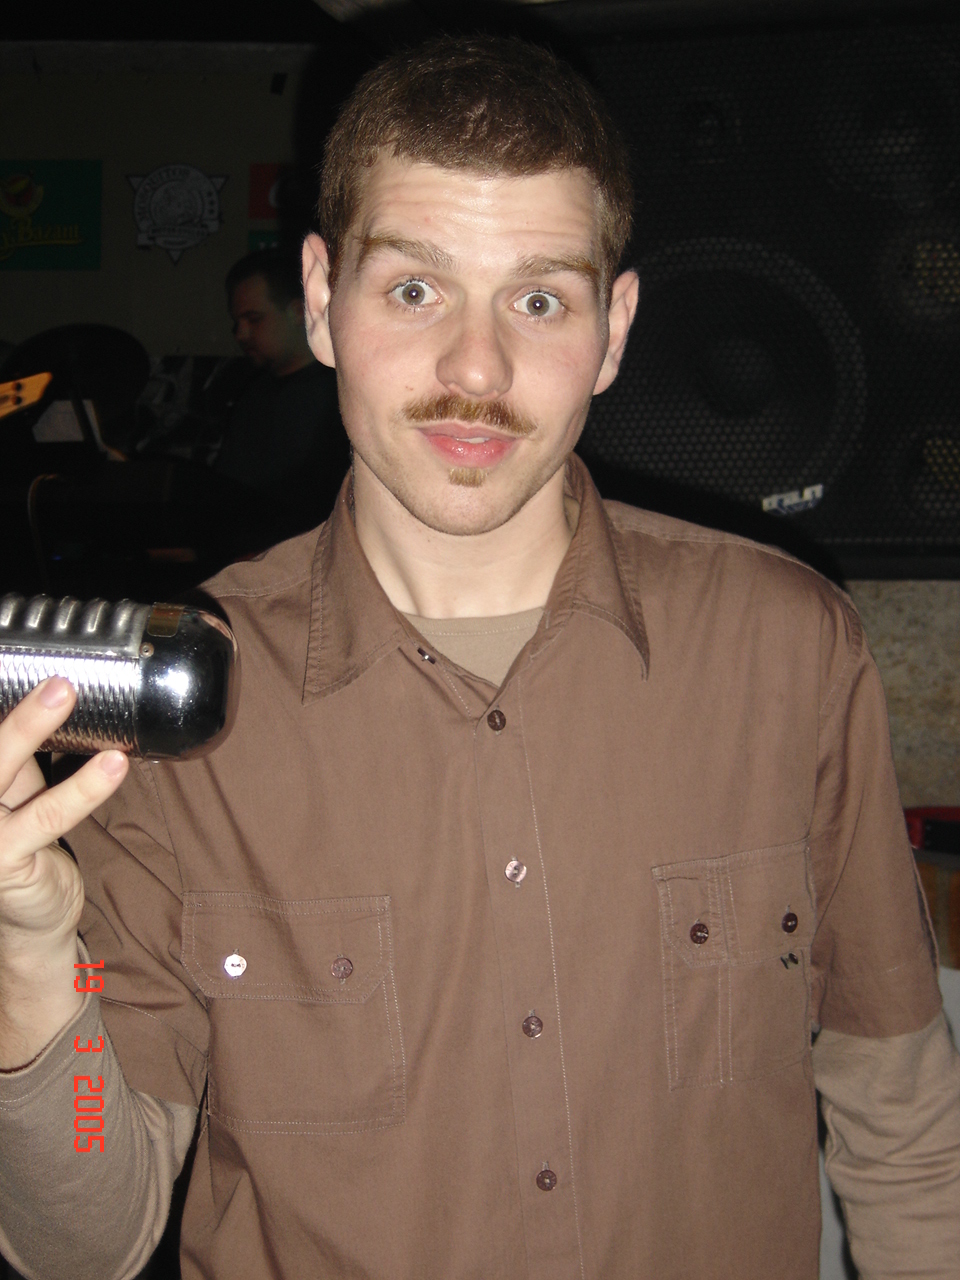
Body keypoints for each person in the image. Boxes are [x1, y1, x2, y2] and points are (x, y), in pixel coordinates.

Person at [0, 34, 958, 1280]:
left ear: (613, 329)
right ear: (321, 297)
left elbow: (903, 1121)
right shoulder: (181, 709)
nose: (475, 367)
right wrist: (31, 968)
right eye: (415, 290)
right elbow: (86, 1238)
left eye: (539, 299)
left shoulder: (788, 646)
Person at [213, 248, 349, 542]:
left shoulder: (338, 397)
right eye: (238, 322)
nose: (240, 334)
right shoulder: (252, 396)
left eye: (254, 319)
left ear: (298, 312)